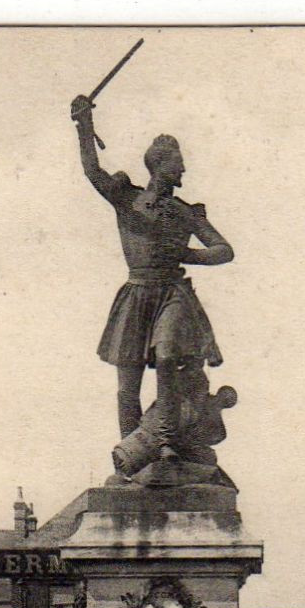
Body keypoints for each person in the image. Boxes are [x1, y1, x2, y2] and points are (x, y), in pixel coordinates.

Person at [70, 95, 234, 457]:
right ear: (160, 165)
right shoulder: (127, 198)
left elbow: (224, 250)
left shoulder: (185, 212)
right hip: (137, 293)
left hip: (172, 292)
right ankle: (130, 453)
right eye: (179, 164)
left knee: (167, 355)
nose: (184, 171)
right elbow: (92, 171)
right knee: (128, 380)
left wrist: (188, 254)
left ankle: (165, 442)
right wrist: (84, 127)